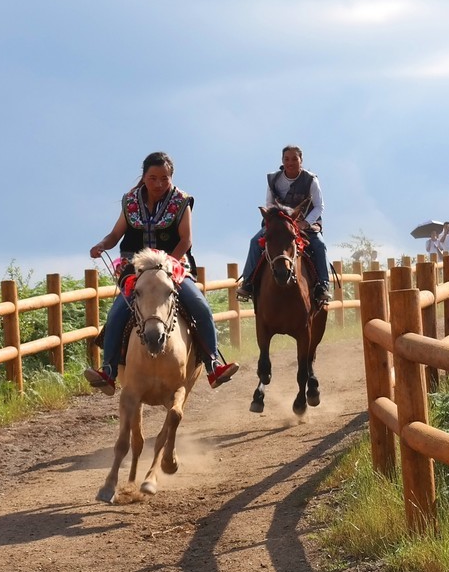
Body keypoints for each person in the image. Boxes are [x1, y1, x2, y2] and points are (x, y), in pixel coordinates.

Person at [83, 152, 239, 394]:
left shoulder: (181, 201)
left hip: (173, 265)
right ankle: (109, 370)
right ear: (143, 177)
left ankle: (213, 364)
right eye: (153, 178)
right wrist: (103, 244)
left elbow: (186, 240)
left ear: (171, 178)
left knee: (199, 305)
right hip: (136, 268)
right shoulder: (130, 201)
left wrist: (167, 266)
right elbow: (115, 234)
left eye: (164, 179)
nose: (158, 184)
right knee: (116, 313)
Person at [237, 146, 329, 304]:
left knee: (320, 245)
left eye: (294, 159)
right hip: (279, 223)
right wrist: (280, 221)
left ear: (301, 160)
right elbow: (269, 204)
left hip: (305, 223)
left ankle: (323, 285)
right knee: (254, 242)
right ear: (282, 161)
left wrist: (305, 223)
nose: (290, 162)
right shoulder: (273, 179)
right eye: (287, 159)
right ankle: (248, 283)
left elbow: (319, 206)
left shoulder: (311, 180)